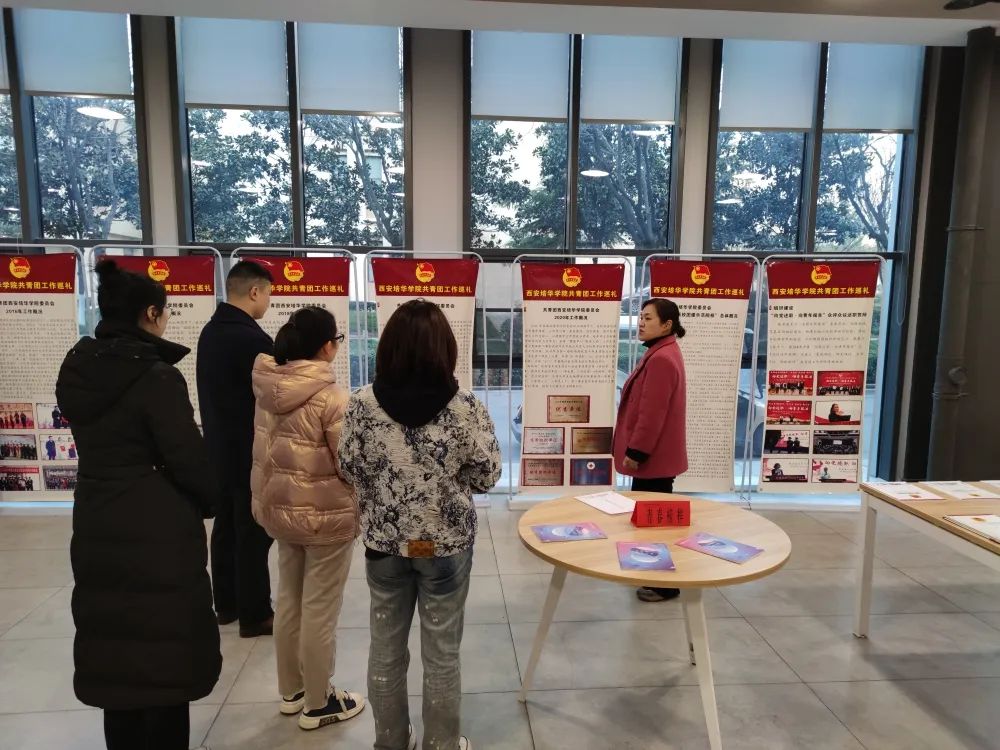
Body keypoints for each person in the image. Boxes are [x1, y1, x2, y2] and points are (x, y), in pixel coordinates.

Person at [55, 259, 220, 750]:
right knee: (164, 660)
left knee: (117, 660)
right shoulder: (156, 378)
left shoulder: (79, 369)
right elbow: (188, 459)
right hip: (157, 530)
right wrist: (211, 497)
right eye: (165, 312)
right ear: (151, 313)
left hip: (98, 518)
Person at [338, 300, 501, 750]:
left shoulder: (362, 404)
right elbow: (488, 476)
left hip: (385, 546)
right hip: (445, 546)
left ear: (387, 348)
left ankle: (390, 741)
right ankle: (441, 744)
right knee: (442, 653)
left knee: (385, 649)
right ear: (444, 348)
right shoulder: (465, 407)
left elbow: (348, 467)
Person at [250, 306, 365, 731]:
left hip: (280, 512)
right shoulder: (333, 398)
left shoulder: (267, 389)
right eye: (337, 339)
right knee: (320, 608)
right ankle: (319, 703)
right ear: (326, 346)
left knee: (290, 600)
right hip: (325, 518)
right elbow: (349, 465)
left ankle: (292, 690)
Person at [197, 259, 276, 638]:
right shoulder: (253, 341)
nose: (268, 302)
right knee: (253, 531)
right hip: (249, 451)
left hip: (218, 449)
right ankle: (255, 613)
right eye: (268, 294)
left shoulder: (211, 332)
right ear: (255, 291)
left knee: (226, 527)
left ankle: (225, 605)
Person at [613, 298, 688, 604]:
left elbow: (652, 413)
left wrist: (637, 452)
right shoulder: (662, 351)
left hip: (653, 458)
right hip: (656, 457)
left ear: (667, 324)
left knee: (655, 522)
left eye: (648, 318)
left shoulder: (661, 359)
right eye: (640, 317)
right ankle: (653, 573)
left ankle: (665, 585)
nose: (641, 323)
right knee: (651, 519)